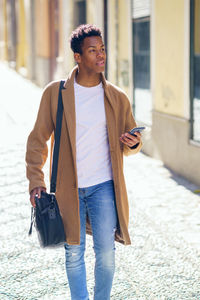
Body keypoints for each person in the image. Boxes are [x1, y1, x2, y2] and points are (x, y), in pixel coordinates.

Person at [26, 24, 142, 300]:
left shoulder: (116, 96)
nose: (100, 55)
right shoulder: (56, 93)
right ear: (77, 56)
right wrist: (36, 181)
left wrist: (134, 143)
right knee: (74, 252)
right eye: (93, 51)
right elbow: (37, 140)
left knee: (106, 254)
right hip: (68, 188)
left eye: (102, 49)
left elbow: (133, 140)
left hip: (103, 187)